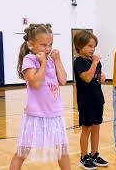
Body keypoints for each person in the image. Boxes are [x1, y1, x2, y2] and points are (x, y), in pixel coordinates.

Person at [10, 23, 70, 170]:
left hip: (54, 113)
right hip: (36, 114)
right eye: (43, 45)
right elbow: (36, 83)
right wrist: (43, 63)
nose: (48, 48)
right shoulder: (29, 59)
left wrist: (57, 60)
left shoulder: (51, 59)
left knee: (62, 150)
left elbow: (62, 80)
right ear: (31, 44)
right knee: (23, 151)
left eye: (50, 44)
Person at [73, 30, 108, 169]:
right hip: (86, 102)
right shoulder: (78, 62)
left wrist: (102, 76)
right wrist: (95, 63)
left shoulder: (95, 62)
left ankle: (94, 154)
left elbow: (96, 77)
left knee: (96, 128)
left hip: (98, 99)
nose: (92, 49)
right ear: (80, 46)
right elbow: (87, 78)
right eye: (89, 46)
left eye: (94, 46)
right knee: (86, 129)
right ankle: (84, 156)